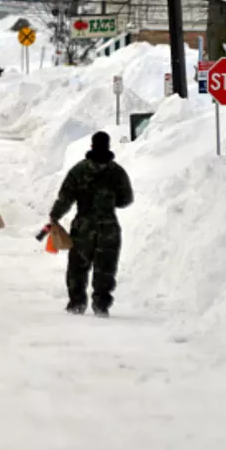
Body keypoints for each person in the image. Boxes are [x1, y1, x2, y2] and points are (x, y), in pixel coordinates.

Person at [48, 131, 133, 317]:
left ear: (92, 146)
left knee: (77, 267)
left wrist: (55, 215)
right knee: (106, 268)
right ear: (108, 146)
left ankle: (77, 303)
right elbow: (126, 199)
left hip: (83, 227)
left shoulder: (79, 170)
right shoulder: (117, 172)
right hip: (109, 228)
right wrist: (110, 202)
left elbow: (66, 197)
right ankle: (101, 304)